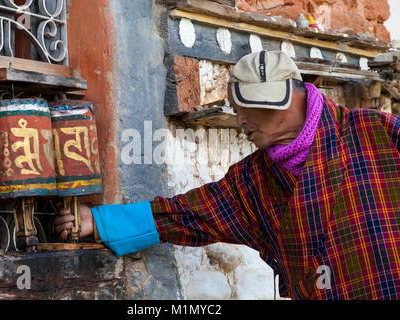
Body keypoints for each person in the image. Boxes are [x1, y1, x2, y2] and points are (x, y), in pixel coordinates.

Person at [55, 51, 400, 300]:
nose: (240, 121)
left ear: (280, 102)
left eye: (244, 110)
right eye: (236, 111)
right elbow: (188, 214)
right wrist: (99, 222)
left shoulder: (375, 132)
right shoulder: (253, 181)